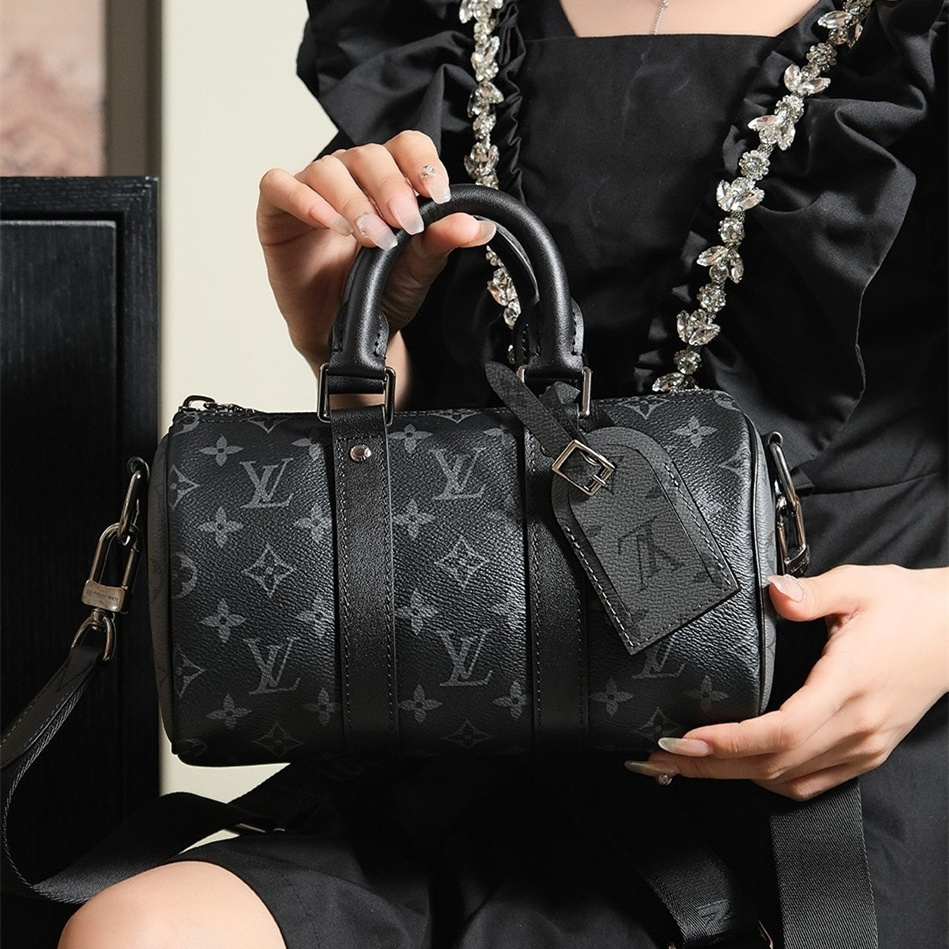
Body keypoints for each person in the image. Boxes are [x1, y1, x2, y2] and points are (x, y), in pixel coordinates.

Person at [59, 0, 947, 947]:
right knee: (138, 928)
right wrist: (355, 349)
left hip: (828, 733)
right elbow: (466, 421)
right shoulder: (432, 22)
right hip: (475, 708)